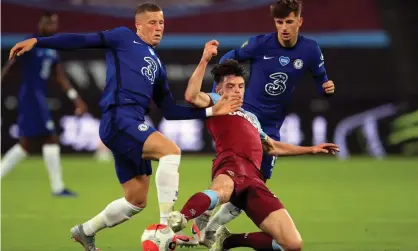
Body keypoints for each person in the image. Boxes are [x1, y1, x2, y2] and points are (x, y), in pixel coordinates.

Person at [8, 3, 242, 250]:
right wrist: (39, 41)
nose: (158, 28)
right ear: (138, 25)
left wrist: (209, 112)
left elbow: (171, 111)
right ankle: (166, 228)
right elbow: (83, 40)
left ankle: (85, 231)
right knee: (170, 151)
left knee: (136, 200)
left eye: (161, 23)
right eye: (152, 22)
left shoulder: (158, 66)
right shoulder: (122, 38)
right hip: (118, 117)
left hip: (132, 124)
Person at [166, 41, 339, 251]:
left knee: (292, 244)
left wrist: (311, 149)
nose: (237, 91)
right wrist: (204, 59)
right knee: (221, 190)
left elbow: (272, 147)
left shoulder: (251, 118)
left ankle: (227, 241)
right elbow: (191, 96)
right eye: (231, 87)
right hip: (230, 165)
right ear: (219, 89)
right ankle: (180, 219)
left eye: (241, 86)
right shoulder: (217, 103)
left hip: (254, 180)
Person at [192, 0, 337, 244]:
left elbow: (322, 79)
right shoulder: (260, 43)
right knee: (236, 176)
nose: (284, 28)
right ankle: (205, 220)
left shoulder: (310, 50)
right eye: (279, 22)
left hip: (270, 126)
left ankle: (211, 228)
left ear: (299, 21)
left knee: (254, 185)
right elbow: (230, 57)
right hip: (245, 116)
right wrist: (219, 96)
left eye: (289, 21)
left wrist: (326, 88)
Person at [1, 11, 87, 196]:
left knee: (29, 143)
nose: (52, 27)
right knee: (48, 138)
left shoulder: (52, 46)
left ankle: (58, 187)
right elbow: (11, 66)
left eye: (55, 23)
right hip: (30, 97)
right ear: (41, 23)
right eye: (49, 23)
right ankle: (58, 188)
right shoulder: (29, 43)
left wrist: (75, 98)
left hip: (38, 97)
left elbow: (59, 76)